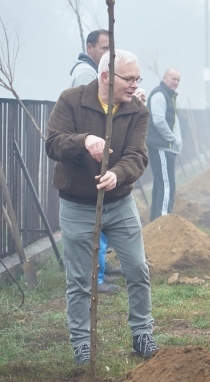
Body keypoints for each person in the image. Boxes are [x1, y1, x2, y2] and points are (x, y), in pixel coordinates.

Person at [46, 49, 159, 366]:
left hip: (120, 202)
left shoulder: (137, 110)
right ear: (106, 76)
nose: (135, 86)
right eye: (130, 78)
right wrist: (83, 140)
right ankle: (82, 344)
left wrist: (117, 174)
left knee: (137, 268)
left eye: (138, 79)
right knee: (80, 280)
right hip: (77, 205)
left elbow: (137, 156)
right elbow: (53, 143)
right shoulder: (72, 100)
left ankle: (142, 334)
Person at [68, 29, 118, 293]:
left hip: (96, 150)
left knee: (102, 215)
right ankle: (94, 279)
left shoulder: (98, 72)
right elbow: (84, 116)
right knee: (94, 218)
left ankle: (100, 269)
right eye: (103, 48)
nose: (107, 53)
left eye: (111, 48)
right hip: (89, 153)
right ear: (90, 49)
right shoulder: (87, 74)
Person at [146, 68, 182, 222]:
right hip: (162, 147)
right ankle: (163, 223)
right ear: (164, 78)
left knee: (162, 185)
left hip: (166, 148)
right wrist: (172, 139)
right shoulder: (160, 95)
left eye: (178, 80)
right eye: (173, 78)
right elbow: (158, 120)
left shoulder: (168, 96)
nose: (175, 82)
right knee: (167, 187)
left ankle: (155, 221)